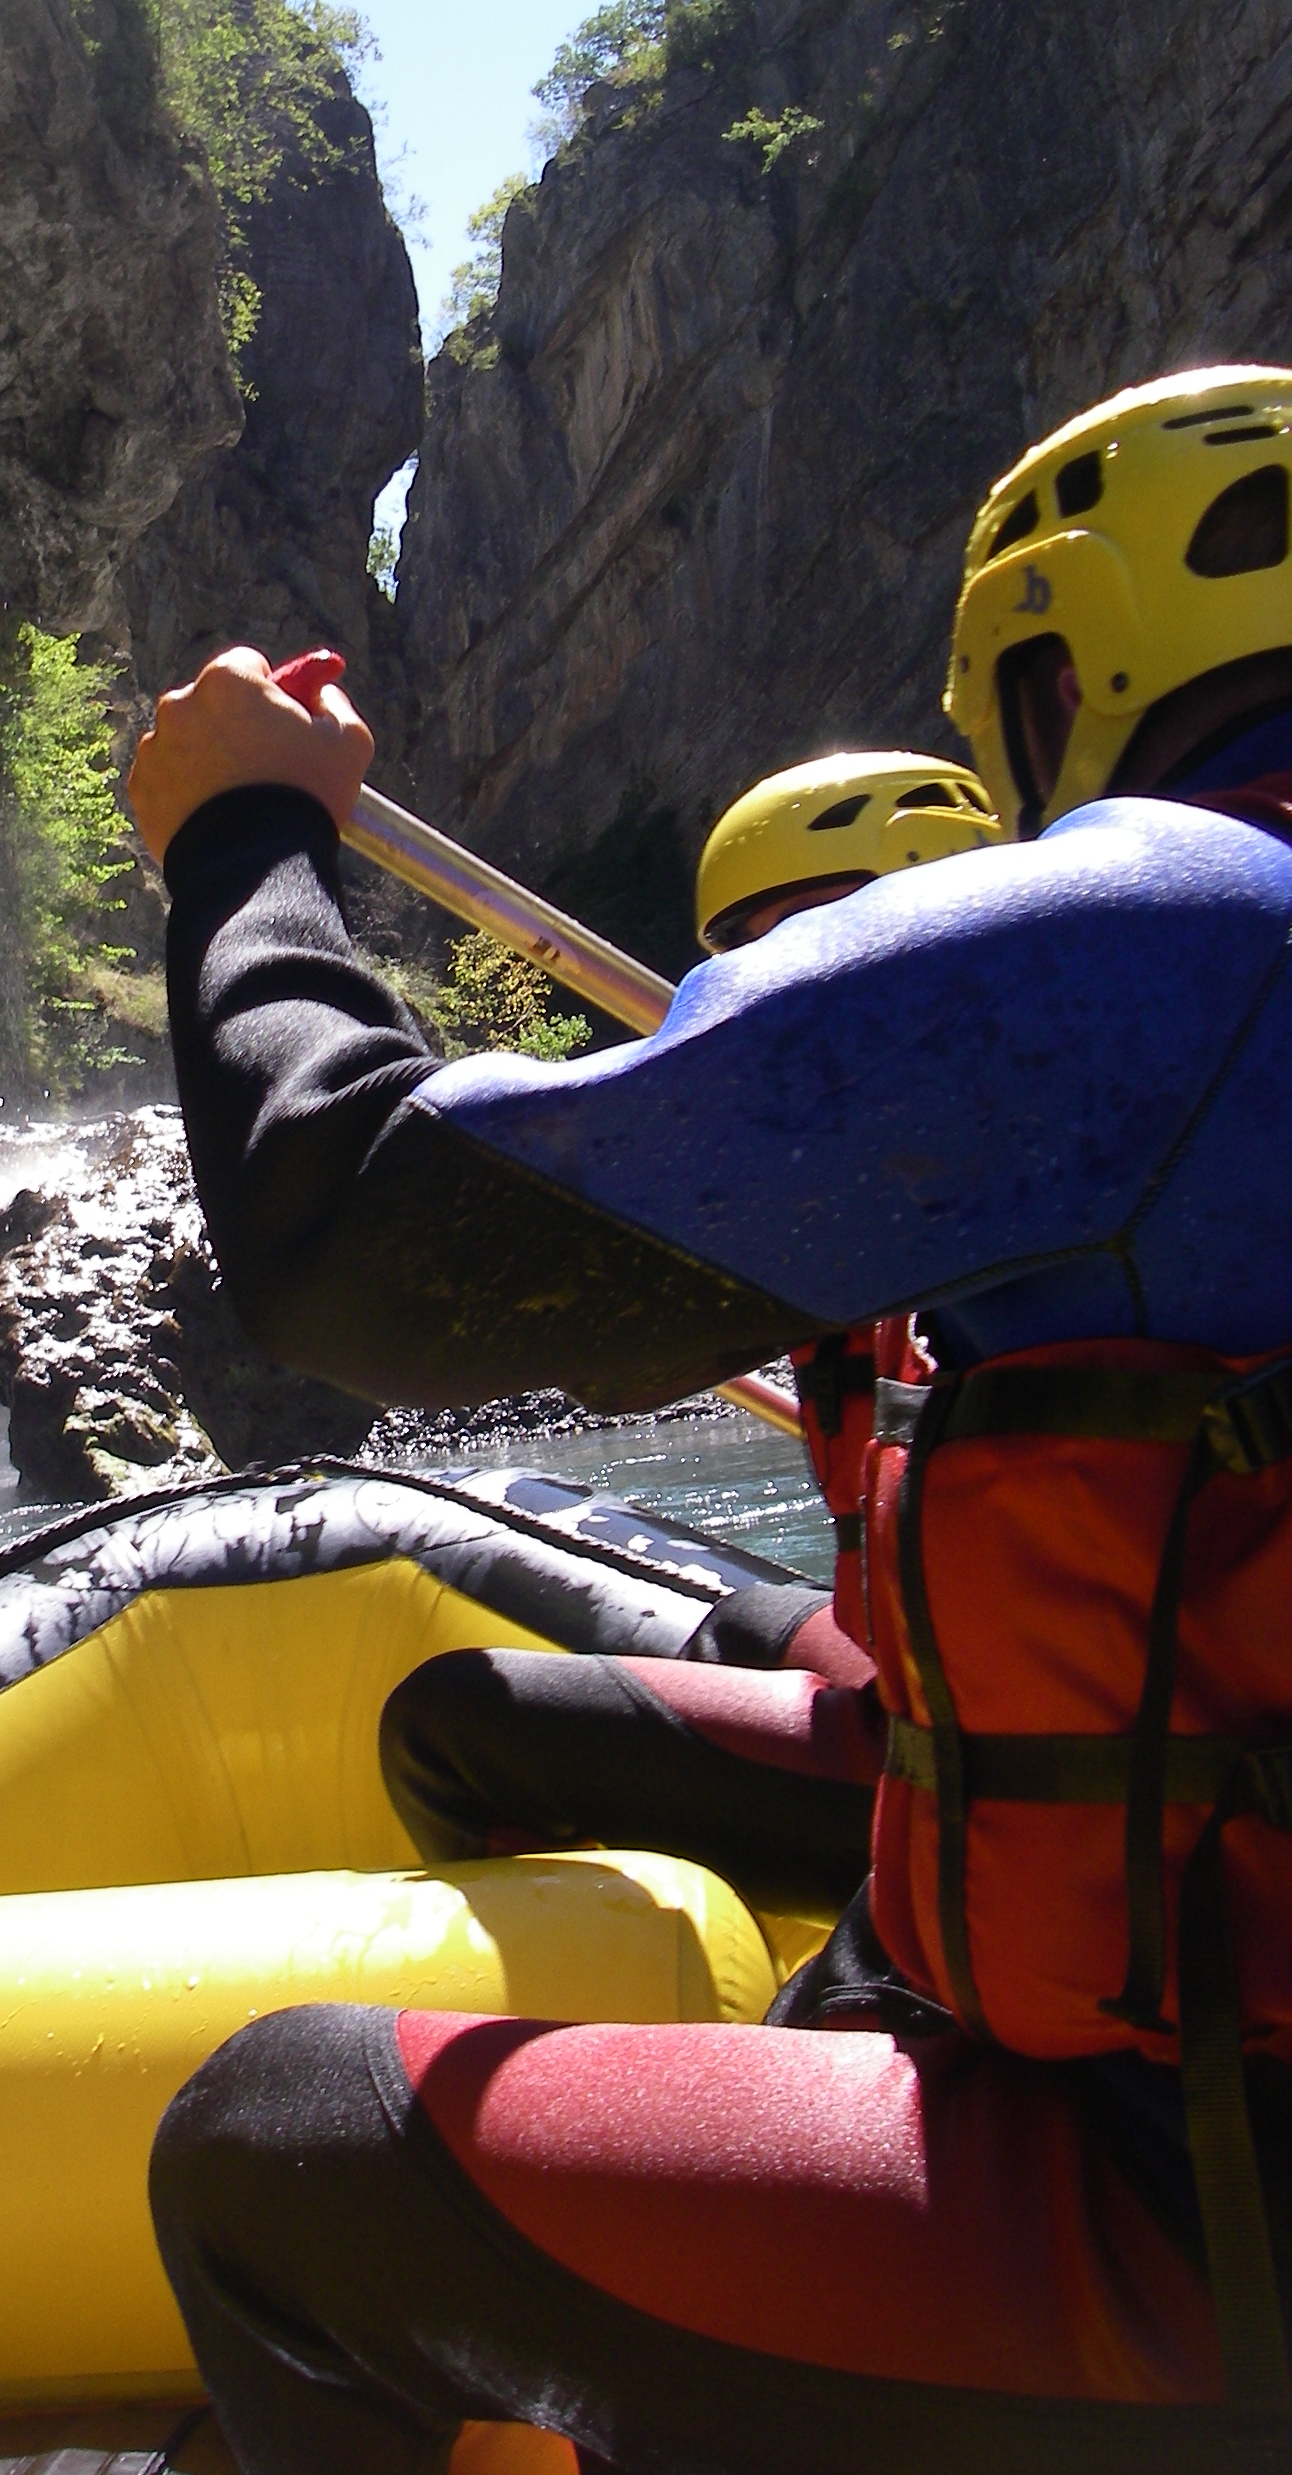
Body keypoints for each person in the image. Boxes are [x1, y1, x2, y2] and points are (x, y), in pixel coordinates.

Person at [131, 367, 1292, 2469]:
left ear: (1063, 667)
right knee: (863, 1973)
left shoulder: (1160, 932)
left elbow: (353, 1245)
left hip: (1208, 2204)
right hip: (1167, 2078)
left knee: (267, 2146)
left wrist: (239, 830)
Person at [380, 755, 998, 1923]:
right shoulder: (1016, 1118)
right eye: (748, 963)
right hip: (989, 1689)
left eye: (809, 942)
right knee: (755, 1622)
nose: (774, 999)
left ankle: (850, 1974)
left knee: (453, 1728)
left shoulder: (843, 1185)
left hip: (1008, 1778)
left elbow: (597, 1358)